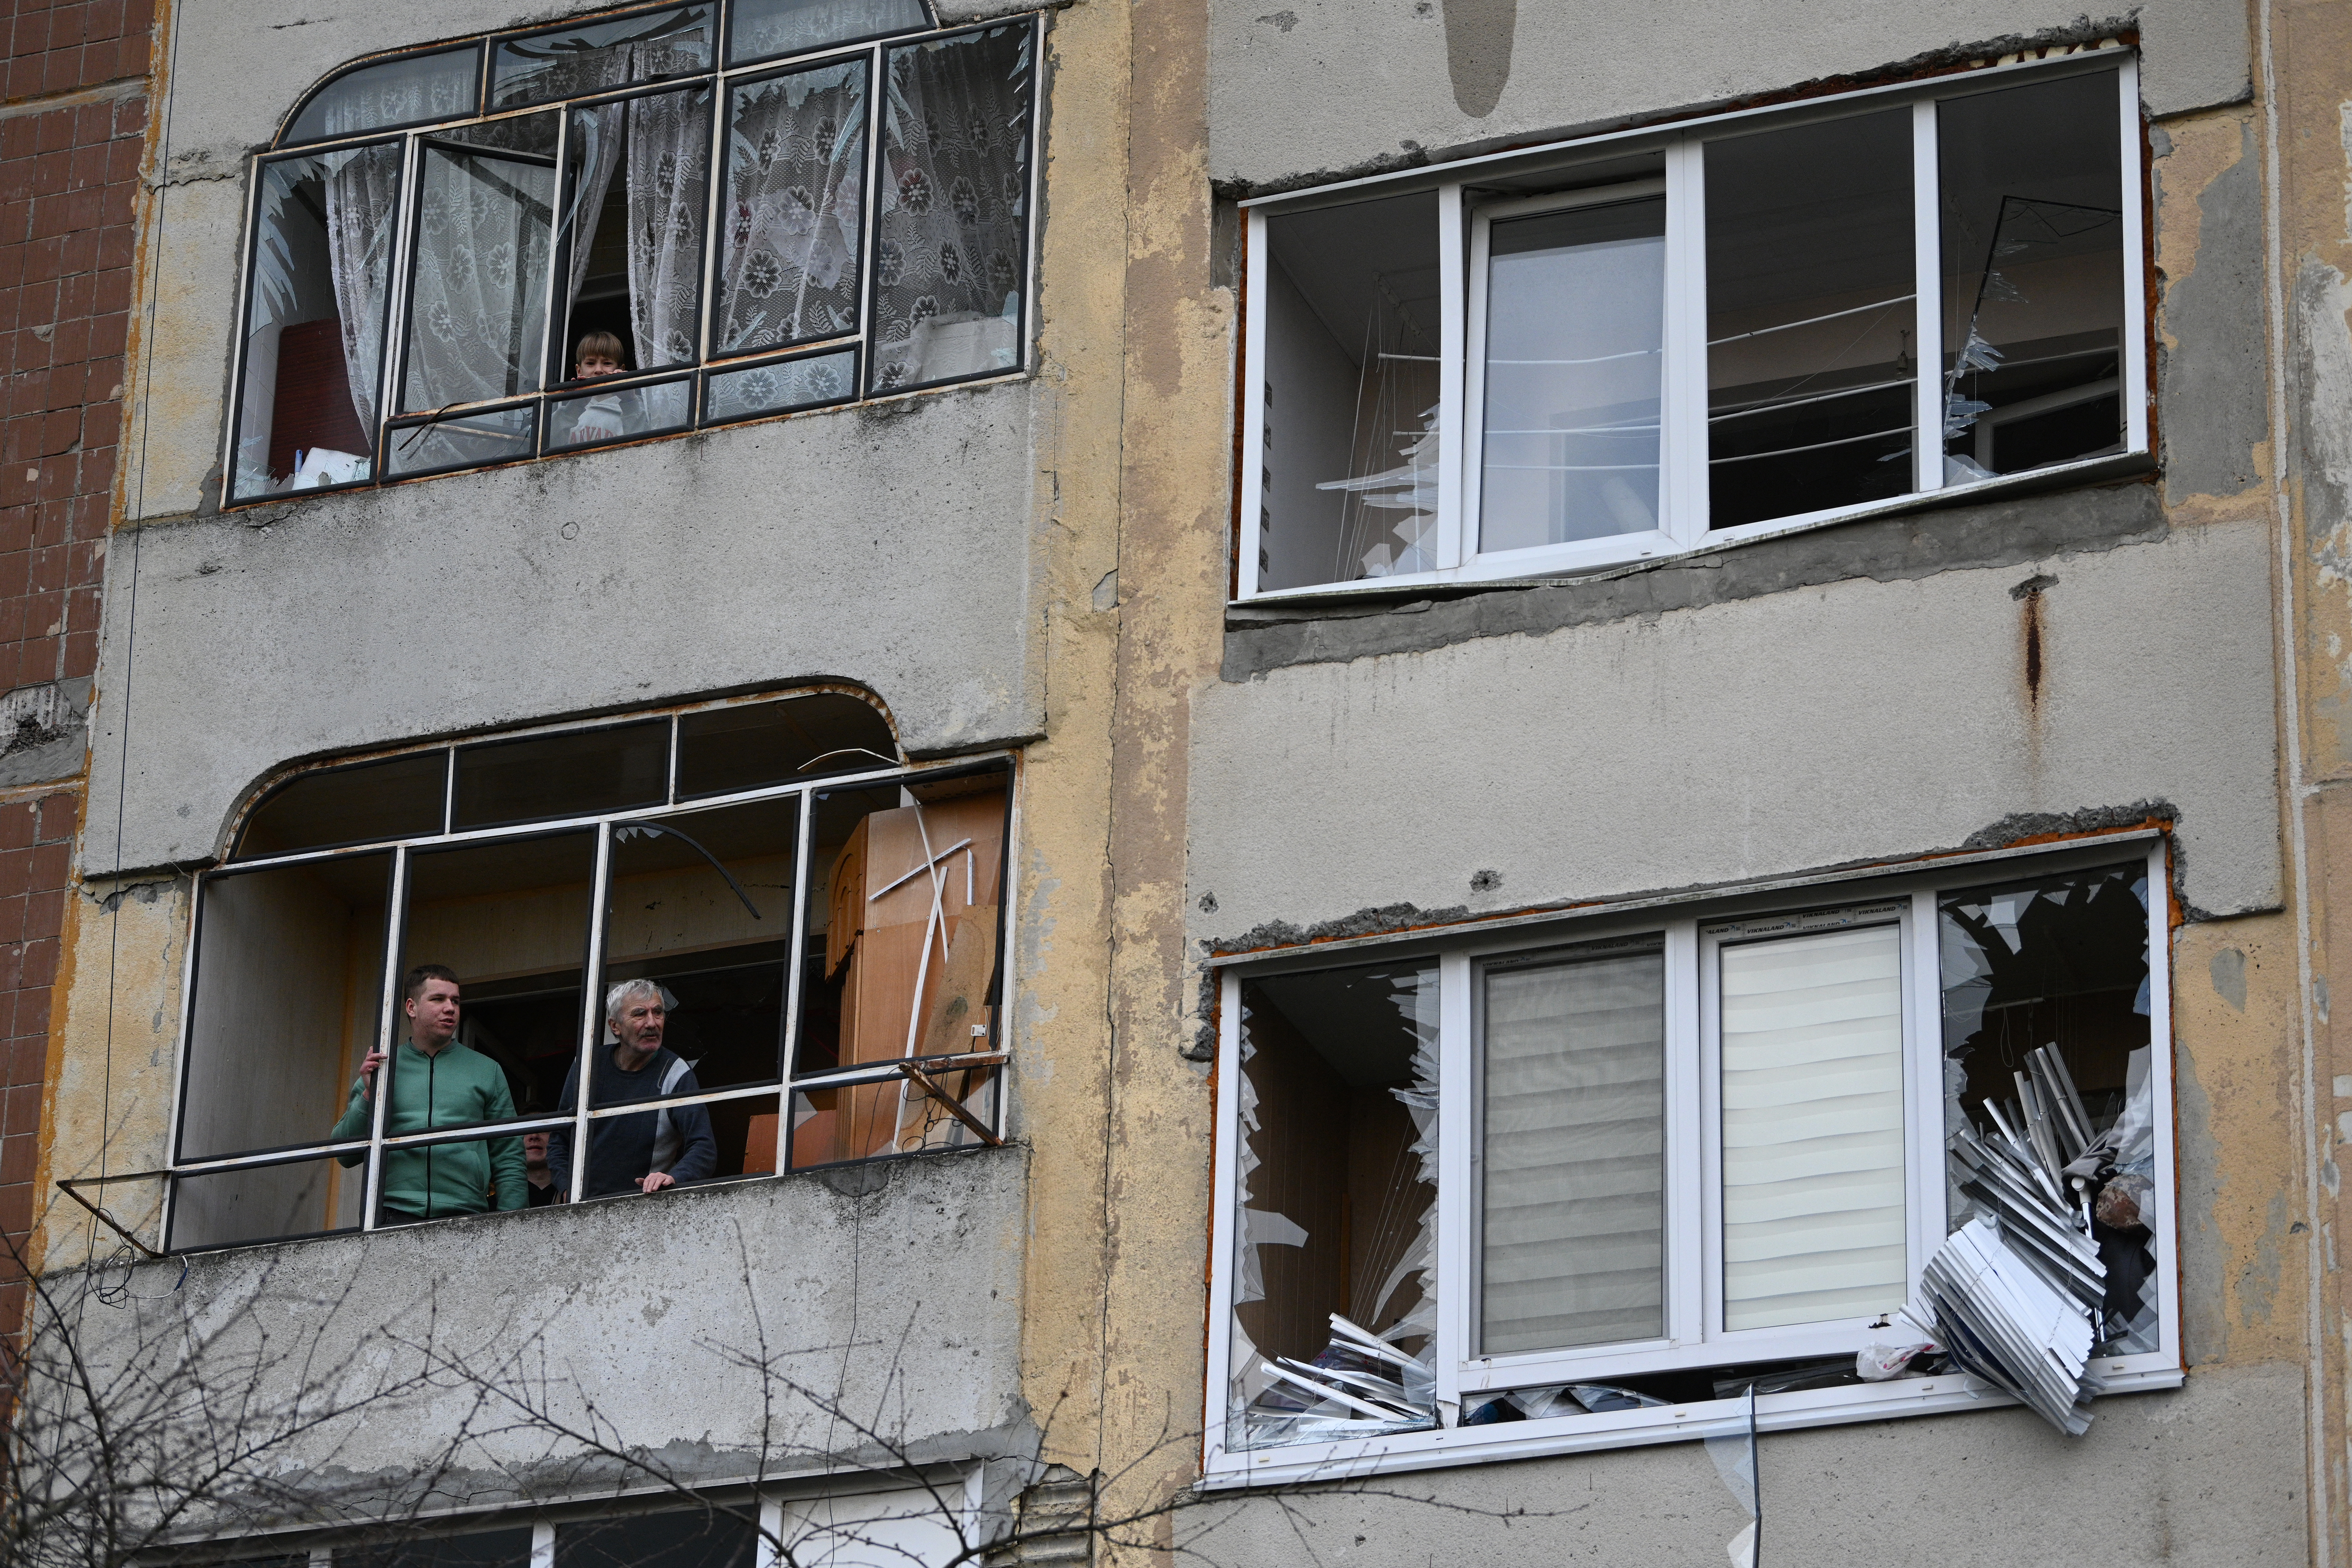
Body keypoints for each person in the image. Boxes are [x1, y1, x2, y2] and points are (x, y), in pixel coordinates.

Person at [330, 965, 528, 1222]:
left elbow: (509, 1154)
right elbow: (345, 1154)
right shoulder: (383, 1068)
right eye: (438, 999)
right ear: (412, 1008)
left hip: (467, 1214)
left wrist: (512, 1221)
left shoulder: (487, 1070)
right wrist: (369, 1095)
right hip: (393, 1213)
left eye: (455, 1001)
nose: (451, 1008)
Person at [547, 979, 717, 1200]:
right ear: (615, 1026)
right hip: (579, 1207)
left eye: (658, 1013)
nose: (652, 1023)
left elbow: (704, 1147)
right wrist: (566, 1186)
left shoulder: (676, 1073)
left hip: (643, 1208)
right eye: (639, 1014)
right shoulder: (587, 1065)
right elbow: (560, 1139)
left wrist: (674, 1178)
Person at [566, 330, 631, 445]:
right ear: (579, 371)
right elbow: (551, 440)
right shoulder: (568, 408)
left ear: (620, 369)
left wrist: (629, 401)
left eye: (607, 363)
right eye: (591, 363)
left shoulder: (632, 407)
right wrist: (574, 407)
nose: (598, 370)